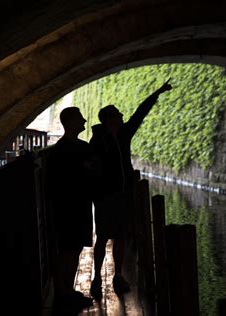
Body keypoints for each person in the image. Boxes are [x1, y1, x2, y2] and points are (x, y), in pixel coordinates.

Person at [89, 79, 172, 298]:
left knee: (121, 236)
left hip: (124, 194)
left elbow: (140, 112)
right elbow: (92, 167)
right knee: (103, 237)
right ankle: (96, 278)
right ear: (108, 119)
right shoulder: (97, 141)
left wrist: (157, 93)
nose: (123, 117)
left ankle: (117, 275)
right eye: (118, 114)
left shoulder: (124, 134)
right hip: (106, 197)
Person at [46, 107, 94, 313]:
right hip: (68, 207)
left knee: (74, 250)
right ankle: (64, 292)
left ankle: (67, 290)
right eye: (80, 119)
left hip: (78, 205)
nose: (84, 121)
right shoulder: (63, 151)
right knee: (67, 250)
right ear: (71, 122)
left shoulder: (63, 150)